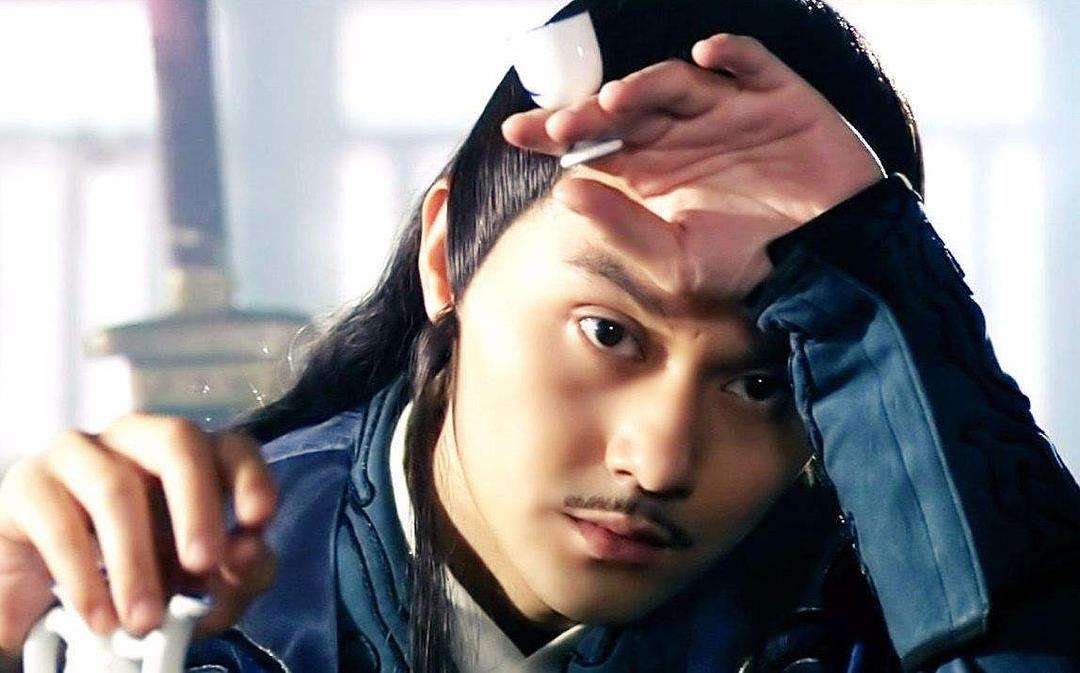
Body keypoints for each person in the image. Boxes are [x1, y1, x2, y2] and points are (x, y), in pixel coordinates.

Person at [1, 0, 1078, 671]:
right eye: (609, 331)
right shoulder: (180, 607)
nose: (659, 460)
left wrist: (880, 269)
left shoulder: (869, 618)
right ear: (446, 258)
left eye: (763, 383)